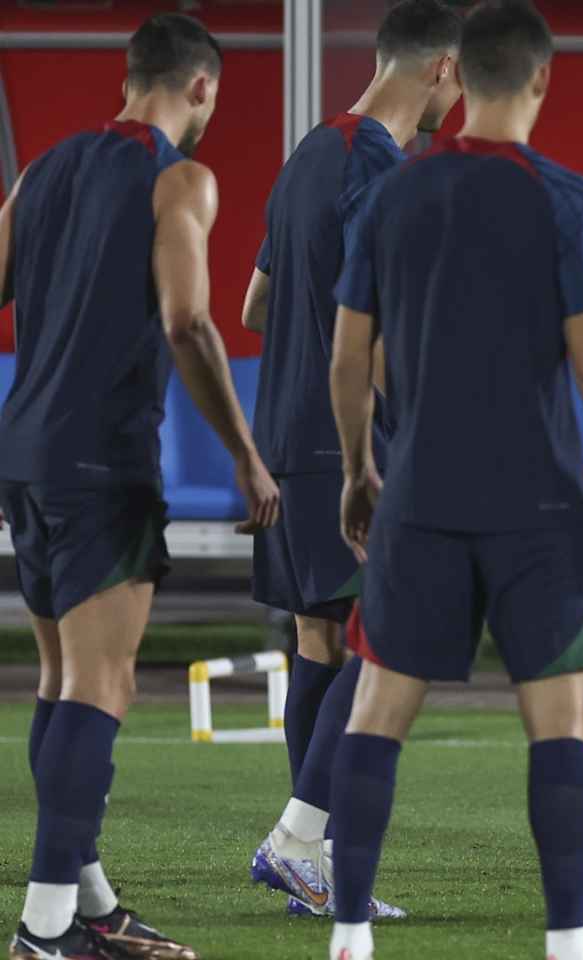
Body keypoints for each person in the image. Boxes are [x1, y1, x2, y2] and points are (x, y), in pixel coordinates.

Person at [323, 3, 583, 959]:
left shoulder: (391, 194)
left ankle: (348, 935)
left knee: (377, 714)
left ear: (460, 78)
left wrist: (360, 468)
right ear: (542, 81)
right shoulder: (568, 198)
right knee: (556, 723)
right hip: (540, 504)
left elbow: (351, 355)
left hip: (420, 495)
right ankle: (567, 943)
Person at [0, 14, 280, 960]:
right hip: (103, 458)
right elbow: (192, 321)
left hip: (25, 455)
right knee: (103, 682)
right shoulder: (181, 178)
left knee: (59, 679)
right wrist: (244, 453)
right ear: (200, 88)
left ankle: (90, 907)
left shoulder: (40, 172)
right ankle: (43, 932)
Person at [242, 0, 463, 921]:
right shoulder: (382, 167)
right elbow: (381, 329)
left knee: (320, 643)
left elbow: (256, 306)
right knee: (383, 647)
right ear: (444, 67)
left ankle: (317, 864)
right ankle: (297, 841)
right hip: (349, 444)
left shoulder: (307, 157)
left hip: (286, 437)